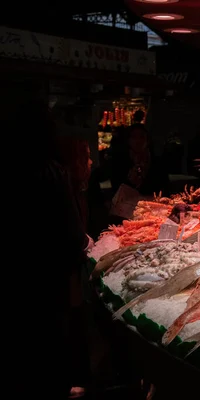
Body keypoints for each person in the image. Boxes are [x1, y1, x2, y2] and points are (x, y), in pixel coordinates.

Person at [17, 101, 91, 398]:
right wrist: (86, 243)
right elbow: (73, 236)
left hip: (21, 271)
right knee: (51, 335)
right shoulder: (52, 173)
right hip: (50, 275)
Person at [56, 136, 95, 399]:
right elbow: (69, 233)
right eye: (87, 157)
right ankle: (68, 382)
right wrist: (83, 241)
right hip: (61, 272)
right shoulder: (64, 187)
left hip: (70, 269)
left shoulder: (78, 188)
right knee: (67, 322)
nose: (92, 162)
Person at [110, 123, 170, 197]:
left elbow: (164, 187)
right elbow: (116, 188)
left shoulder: (157, 162)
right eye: (134, 137)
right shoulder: (120, 162)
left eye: (142, 137)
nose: (138, 141)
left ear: (147, 140)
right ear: (128, 140)